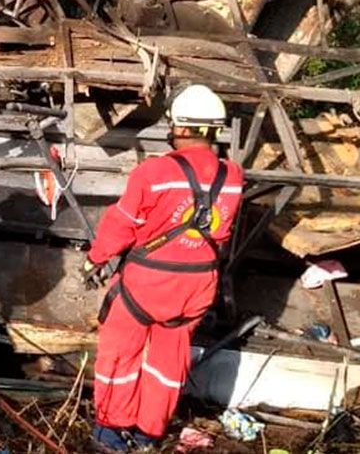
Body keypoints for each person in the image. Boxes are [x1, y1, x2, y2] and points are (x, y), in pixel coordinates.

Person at [84, 84, 244, 451]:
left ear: (184, 128)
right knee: (168, 363)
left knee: (119, 354)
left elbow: (121, 224)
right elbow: (222, 233)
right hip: (197, 287)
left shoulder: (153, 172)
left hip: (147, 283)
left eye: (173, 125)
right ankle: (148, 435)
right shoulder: (233, 177)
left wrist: (94, 259)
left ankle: (111, 434)